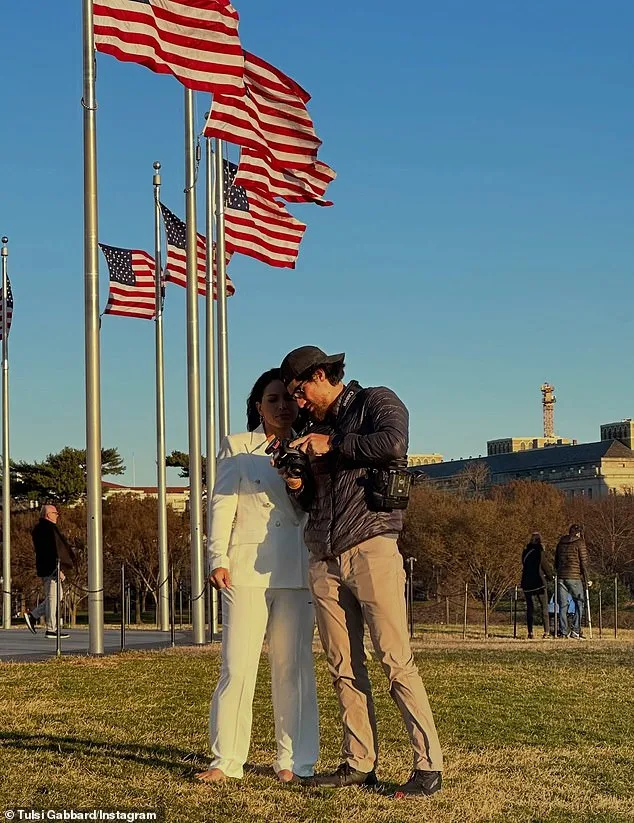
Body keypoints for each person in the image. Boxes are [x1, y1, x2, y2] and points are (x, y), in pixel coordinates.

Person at [278, 345, 443, 798]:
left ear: (320, 375)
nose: (298, 403)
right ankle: (358, 762)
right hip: (323, 556)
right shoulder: (312, 431)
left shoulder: (376, 401)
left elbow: (393, 443)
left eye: (299, 391)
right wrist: (296, 482)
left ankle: (428, 765)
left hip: (371, 546)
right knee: (343, 665)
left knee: (394, 658)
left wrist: (332, 445)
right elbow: (309, 503)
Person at [196, 368, 319, 785]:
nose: (282, 406)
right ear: (258, 406)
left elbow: (314, 507)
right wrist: (217, 557)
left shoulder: (313, 445)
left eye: (288, 398)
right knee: (237, 665)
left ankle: (295, 761)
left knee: (294, 668)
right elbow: (221, 505)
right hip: (244, 568)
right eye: (272, 399)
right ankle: (226, 759)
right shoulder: (237, 447)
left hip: (297, 567)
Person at [24, 504, 75, 639]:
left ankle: (34, 615)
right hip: (50, 569)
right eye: (55, 513)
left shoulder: (45, 529)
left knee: (58, 596)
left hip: (50, 568)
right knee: (54, 597)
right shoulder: (45, 529)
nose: (57, 515)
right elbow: (49, 551)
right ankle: (51, 628)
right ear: (48, 514)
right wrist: (56, 569)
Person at [554, 524, 591, 639]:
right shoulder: (580, 543)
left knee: (563, 605)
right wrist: (587, 579)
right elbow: (584, 562)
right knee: (579, 602)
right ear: (579, 533)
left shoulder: (560, 543)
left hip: (561, 576)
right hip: (574, 577)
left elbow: (556, 561)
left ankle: (563, 631)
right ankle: (575, 630)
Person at [520, 532, 550, 639]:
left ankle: (530, 632)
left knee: (530, 608)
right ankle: (546, 631)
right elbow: (545, 566)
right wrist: (551, 577)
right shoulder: (539, 552)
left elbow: (524, 565)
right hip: (539, 582)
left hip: (527, 582)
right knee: (544, 607)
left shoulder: (525, 552)